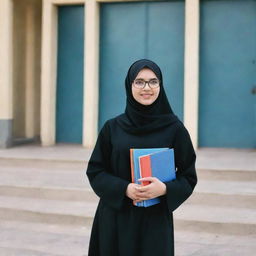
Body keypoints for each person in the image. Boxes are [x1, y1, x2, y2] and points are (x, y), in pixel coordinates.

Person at [86, 59, 197, 256]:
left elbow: (188, 176)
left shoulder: (175, 129)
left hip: (154, 223)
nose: (147, 88)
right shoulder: (112, 128)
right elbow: (95, 171)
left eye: (153, 81)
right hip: (114, 219)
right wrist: (124, 189)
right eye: (139, 81)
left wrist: (164, 189)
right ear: (129, 85)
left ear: (160, 86)